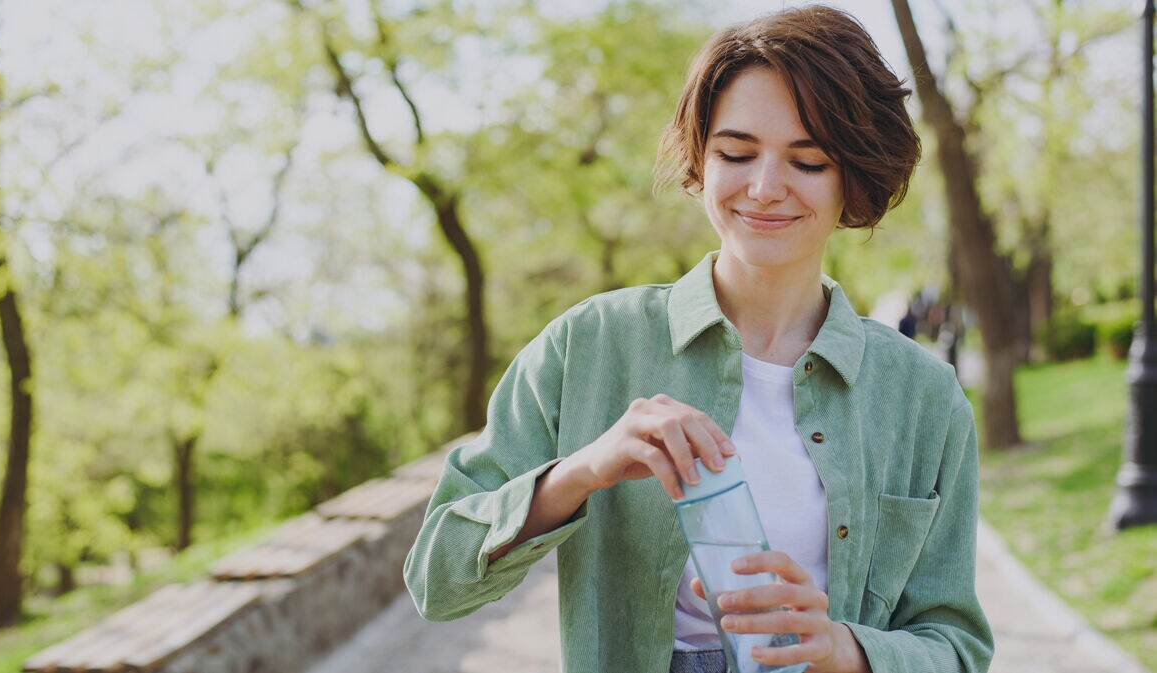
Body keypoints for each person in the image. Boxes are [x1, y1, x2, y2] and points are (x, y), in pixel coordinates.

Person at [404, 6, 993, 673]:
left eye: (807, 161)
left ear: (851, 178)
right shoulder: (589, 343)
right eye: (736, 153)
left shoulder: (923, 398)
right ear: (700, 161)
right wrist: (580, 473)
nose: (765, 189)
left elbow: (958, 648)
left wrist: (839, 646)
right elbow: (435, 578)